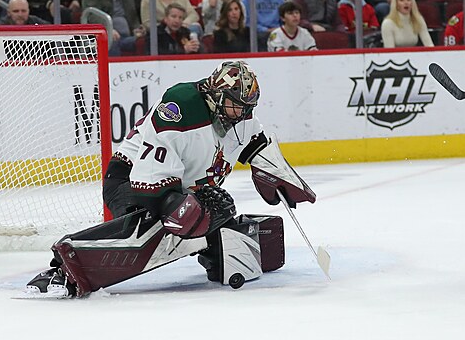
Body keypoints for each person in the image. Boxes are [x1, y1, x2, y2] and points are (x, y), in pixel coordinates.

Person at [25, 60, 316, 298]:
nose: (243, 114)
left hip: (178, 181)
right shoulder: (182, 108)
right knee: (179, 220)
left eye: (247, 107)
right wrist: (176, 205)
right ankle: (65, 267)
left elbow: (257, 144)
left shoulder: (237, 115)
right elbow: (150, 181)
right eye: (237, 105)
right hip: (131, 178)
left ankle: (207, 246)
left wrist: (282, 176)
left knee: (214, 213)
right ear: (217, 95)